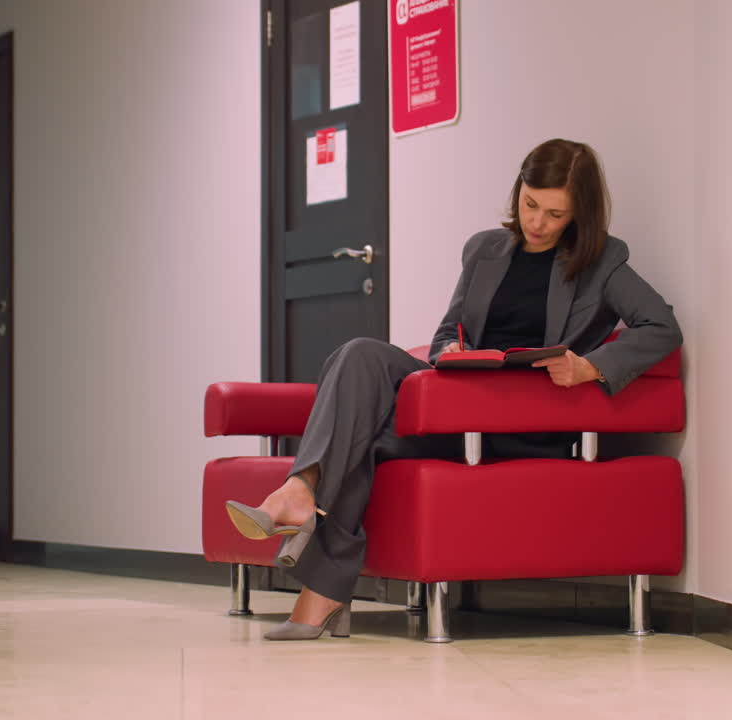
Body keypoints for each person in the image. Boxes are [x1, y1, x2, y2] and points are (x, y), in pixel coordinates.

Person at [225, 139, 682, 640]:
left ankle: (315, 559)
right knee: (359, 355)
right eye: (530, 204)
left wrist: (589, 367)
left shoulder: (603, 263)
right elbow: (449, 329)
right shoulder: (485, 250)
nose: (536, 222)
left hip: (521, 423)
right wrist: (450, 352)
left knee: (360, 434)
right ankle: (302, 494)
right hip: (460, 405)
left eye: (555, 214)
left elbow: (662, 327)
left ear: (580, 213)